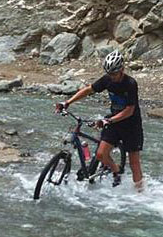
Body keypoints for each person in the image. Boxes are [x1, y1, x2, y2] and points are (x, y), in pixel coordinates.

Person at [60, 50, 144, 190]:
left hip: (131, 125)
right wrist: (68, 102)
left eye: (114, 74)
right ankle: (116, 170)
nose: (111, 77)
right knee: (100, 154)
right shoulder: (107, 80)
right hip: (113, 122)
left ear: (122, 70)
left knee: (134, 162)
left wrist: (109, 121)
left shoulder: (130, 83)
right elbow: (88, 90)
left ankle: (140, 194)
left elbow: (130, 110)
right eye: (109, 74)